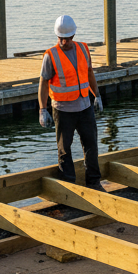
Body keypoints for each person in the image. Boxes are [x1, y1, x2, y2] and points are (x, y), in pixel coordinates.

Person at [38, 15, 104, 190]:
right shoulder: (50, 56)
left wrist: (97, 95)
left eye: (67, 38)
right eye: (61, 38)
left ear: (73, 36)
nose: (63, 41)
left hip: (85, 107)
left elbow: (90, 74)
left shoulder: (83, 49)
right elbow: (43, 83)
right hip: (63, 110)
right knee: (64, 149)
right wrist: (42, 110)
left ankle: (94, 182)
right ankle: (69, 187)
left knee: (91, 145)